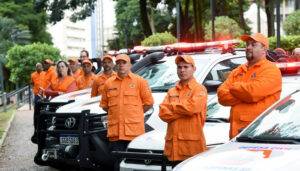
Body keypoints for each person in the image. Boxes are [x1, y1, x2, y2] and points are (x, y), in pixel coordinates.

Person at [217, 33, 282, 139]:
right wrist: (243, 95)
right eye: (247, 44)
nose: (248, 47)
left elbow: (252, 93)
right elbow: (222, 96)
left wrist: (234, 87)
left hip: (260, 136)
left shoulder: (271, 70)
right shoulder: (238, 70)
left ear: (264, 49)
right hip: (235, 137)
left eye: (253, 45)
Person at [100, 54, 154, 170]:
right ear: (115, 65)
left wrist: (136, 113)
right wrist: (118, 112)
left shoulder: (140, 81)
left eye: (124, 63)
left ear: (130, 65)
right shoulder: (108, 83)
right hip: (116, 134)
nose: (121, 65)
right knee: (117, 165)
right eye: (118, 63)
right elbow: (105, 106)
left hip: (134, 132)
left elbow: (149, 103)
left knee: (135, 164)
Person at [159, 55, 207, 167]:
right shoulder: (172, 90)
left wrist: (172, 106)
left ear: (194, 69)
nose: (182, 70)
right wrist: (183, 110)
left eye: (186, 67)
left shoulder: (199, 89)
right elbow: (162, 114)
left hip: (191, 148)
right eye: (179, 67)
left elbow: (192, 109)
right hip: (174, 149)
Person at [30, 62, 46, 143]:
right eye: (37, 66)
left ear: (42, 67)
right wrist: (35, 91)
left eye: (40, 66)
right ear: (35, 68)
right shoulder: (33, 75)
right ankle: (36, 128)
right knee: (36, 111)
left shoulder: (45, 74)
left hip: (45, 95)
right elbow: (32, 84)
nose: (38, 67)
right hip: (37, 95)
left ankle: (44, 127)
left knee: (45, 110)